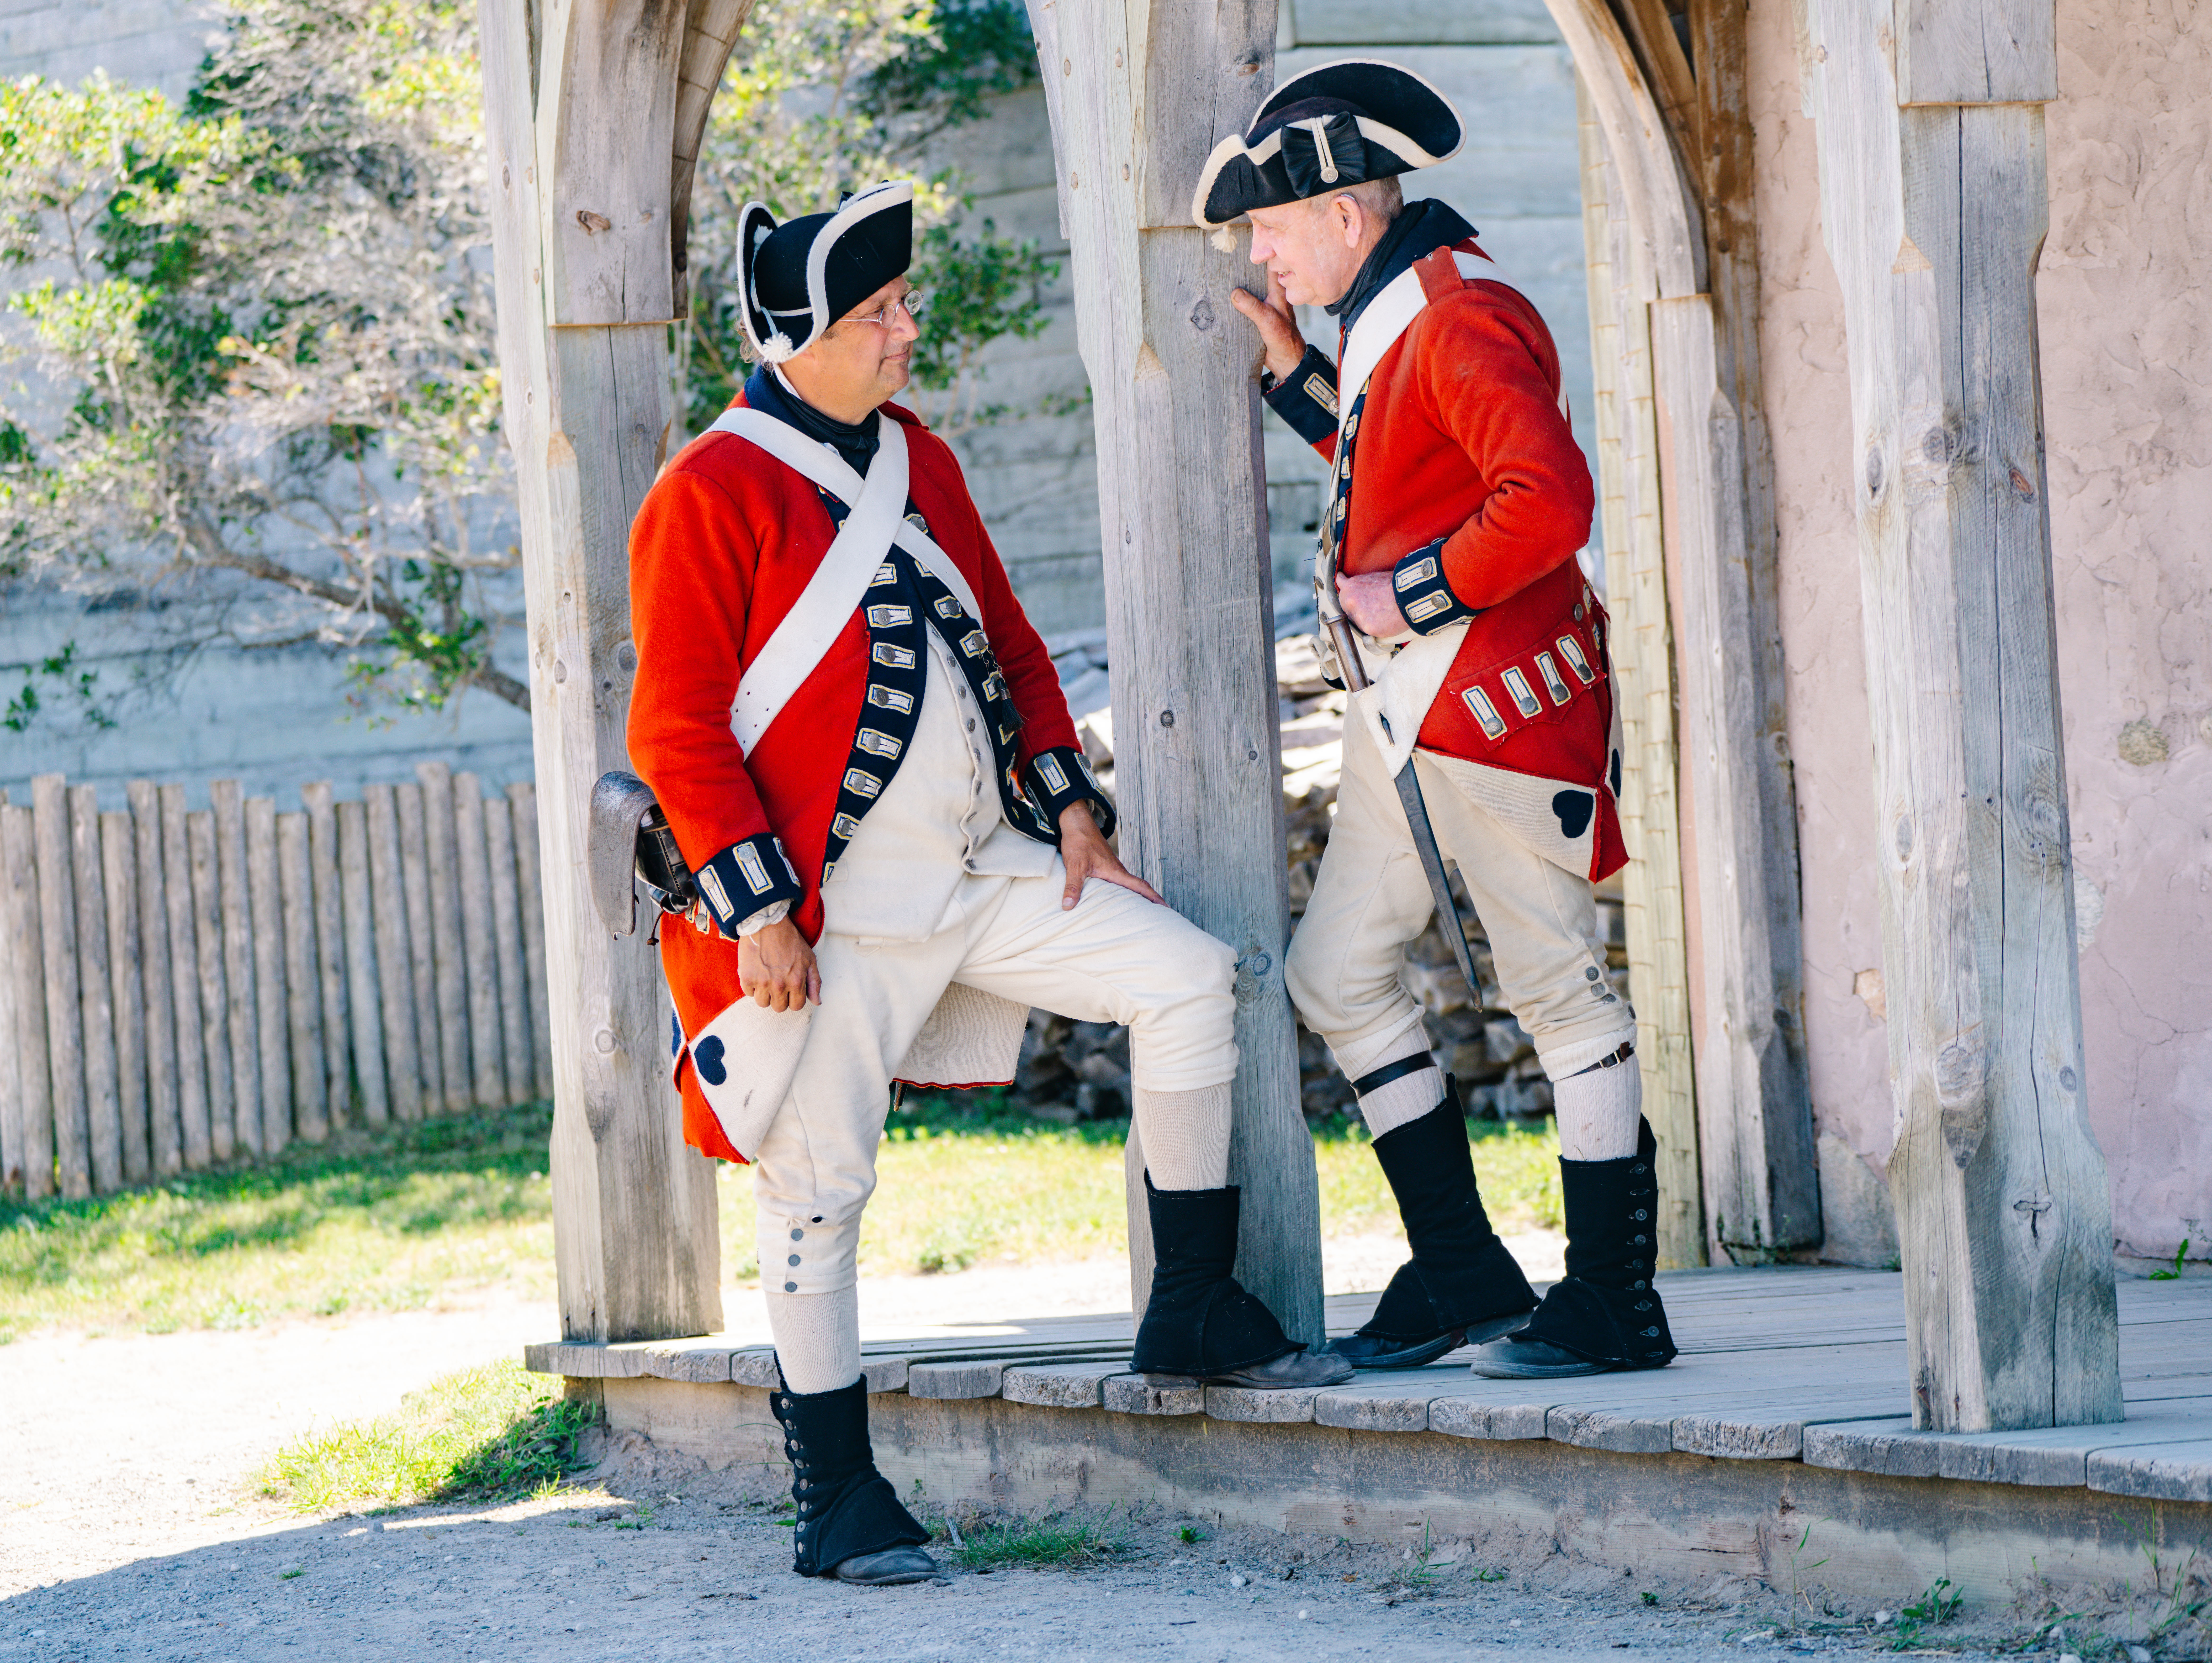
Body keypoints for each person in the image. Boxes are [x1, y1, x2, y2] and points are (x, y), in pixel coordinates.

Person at [625, 180, 1350, 1589]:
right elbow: (678, 728)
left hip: (979, 873)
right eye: (884, 312)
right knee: (818, 1192)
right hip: (831, 918)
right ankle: (836, 1497)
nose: (909, 331)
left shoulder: (919, 461)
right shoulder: (706, 491)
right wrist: (759, 910)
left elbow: (1009, 643)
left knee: (1190, 979)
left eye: (901, 306)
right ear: (806, 334)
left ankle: (1190, 1301)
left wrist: (1071, 808)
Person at [1194, 61, 1677, 1381]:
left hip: (1490, 709)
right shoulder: (1399, 320)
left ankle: (1615, 1305)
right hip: (1410, 717)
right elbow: (1403, 471)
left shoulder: (1458, 319)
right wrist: (1301, 381)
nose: (1264, 256)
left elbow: (1547, 505)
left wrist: (1402, 597)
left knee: (1562, 999)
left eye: (1276, 231)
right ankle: (1464, 1268)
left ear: (1348, 216)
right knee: (1335, 976)